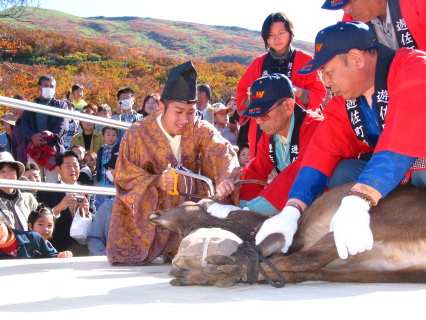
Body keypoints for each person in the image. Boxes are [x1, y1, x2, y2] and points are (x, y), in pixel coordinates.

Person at [255, 21, 426, 260]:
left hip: (418, 164)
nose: (325, 82)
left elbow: (401, 140)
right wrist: (292, 211)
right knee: (341, 172)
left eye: (328, 72)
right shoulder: (346, 102)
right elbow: (319, 155)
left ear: (356, 58)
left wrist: (359, 199)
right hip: (400, 175)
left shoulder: (414, 68)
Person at [106, 61, 239, 266]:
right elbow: (123, 175)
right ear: (161, 106)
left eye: (191, 112)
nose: (185, 119)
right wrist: (156, 182)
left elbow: (223, 152)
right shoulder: (137, 133)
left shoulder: (201, 128)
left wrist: (225, 178)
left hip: (190, 210)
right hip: (153, 213)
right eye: (178, 111)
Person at [209, 74, 323, 216]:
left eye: (263, 114)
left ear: (288, 105)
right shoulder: (271, 132)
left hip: (323, 201)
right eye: (254, 115)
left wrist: (249, 211)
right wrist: (236, 196)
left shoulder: (316, 127)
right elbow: (257, 168)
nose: (258, 121)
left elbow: (300, 172)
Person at [236, 13, 326, 159]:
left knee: (298, 166)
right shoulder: (259, 63)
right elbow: (241, 96)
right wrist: (256, 100)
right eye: (271, 35)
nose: (276, 39)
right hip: (263, 127)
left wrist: (297, 92)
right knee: (261, 168)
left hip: (297, 125)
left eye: (281, 33)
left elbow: (319, 93)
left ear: (290, 33)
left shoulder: (305, 59)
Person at [37, 151, 91, 256]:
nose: (73, 169)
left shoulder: (88, 192)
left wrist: (87, 212)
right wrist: (58, 209)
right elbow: (40, 219)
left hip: (83, 247)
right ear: (58, 169)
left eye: (75, 166)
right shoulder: (46, 191)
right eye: (68, 166)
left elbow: (95, 219)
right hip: (57, 248)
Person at [321, 0, 426, 51]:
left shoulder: (418, 3)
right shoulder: (352, 22)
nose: (347, 10)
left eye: (351, 2)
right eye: (343, 6)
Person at [21, 75, 68, 183]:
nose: (49, 88)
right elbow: (25, 125)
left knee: (53, 182)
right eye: (46, 85)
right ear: (39, 87)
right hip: (35, 148)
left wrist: (49, 139)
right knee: (34, 181)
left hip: (53, 149)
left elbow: (63, 126)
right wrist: (32, 136)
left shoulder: (61, 105)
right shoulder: (30, 106)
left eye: (52, 86)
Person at [87, 154, 117, 256]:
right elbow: (95, 238)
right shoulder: (107, 205)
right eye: (109, 169)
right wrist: (101, 253)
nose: (110, 172)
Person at [0, 152, 38, 231]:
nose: (8, 175)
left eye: (11, 170)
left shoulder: (28, 199)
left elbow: (40, 225)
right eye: (2, 171)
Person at [95, 126, 119, 209]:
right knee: (100, 206)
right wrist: (97, 180)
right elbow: (98, 165)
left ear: (117, 137)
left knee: (112, 207)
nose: (111, 137)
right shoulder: (101, 149)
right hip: (102, 182)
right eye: (108, 135)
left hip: (113, 183)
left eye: (114, 135)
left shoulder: (119, 148)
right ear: (103, 137)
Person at [10, 95, 31, 163]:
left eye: (14, 108)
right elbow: (13, 148)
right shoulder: (16, 126)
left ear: (22, 105)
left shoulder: (34, 121)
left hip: (37, 163)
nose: (12, 111)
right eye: (11, 109)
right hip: (21, 164)